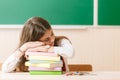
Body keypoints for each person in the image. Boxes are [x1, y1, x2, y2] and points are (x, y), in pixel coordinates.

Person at [2, 17, 74, 73]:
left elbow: (70, 53)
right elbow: (5, 69)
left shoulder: (61, 41)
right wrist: (24, 47)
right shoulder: (26, 49)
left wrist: (46, 49)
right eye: (46, 39)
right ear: (34, 41)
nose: (52, 39)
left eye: (52, 34)